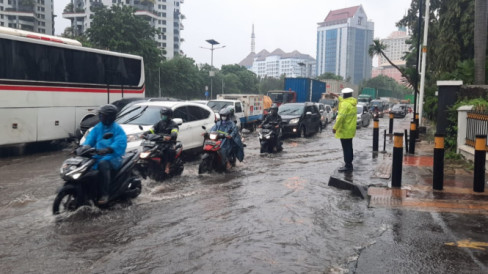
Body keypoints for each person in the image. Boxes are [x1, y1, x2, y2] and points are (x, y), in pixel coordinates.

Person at [80, 104, 127, 204]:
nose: (101, 117)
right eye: (101, 115)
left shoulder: (117, 129)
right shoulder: (98, 127)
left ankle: (105, 194)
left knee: (103, 164)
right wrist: (85, 147)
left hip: (113, 157)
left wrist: (109, 149)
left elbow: (120, 142)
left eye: (103, 115)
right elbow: (90, 138)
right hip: (97, 155)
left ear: (110, 117)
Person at [143, 107, 179, 175]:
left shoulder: (173, 124)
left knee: (170, 151)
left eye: (164, 115)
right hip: (158, 142)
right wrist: (145, 134)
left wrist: (171, 136)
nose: (163, 116)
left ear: (169, 116)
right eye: (162, 115)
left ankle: (167, 167)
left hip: (169, 143)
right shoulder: (159, 123)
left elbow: (174, 132)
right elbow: (152, 130)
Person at [331, 88, 357, 172]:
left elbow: (340, 117)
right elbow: (342, 100)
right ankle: (350, 164)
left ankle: (348, 166)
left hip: (345, 129)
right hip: (351, 129)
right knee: (349, 147)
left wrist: (335, 128)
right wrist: (336, 96)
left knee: (346, 149)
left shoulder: (345, 105)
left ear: (344, 95)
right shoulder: (352, 102)